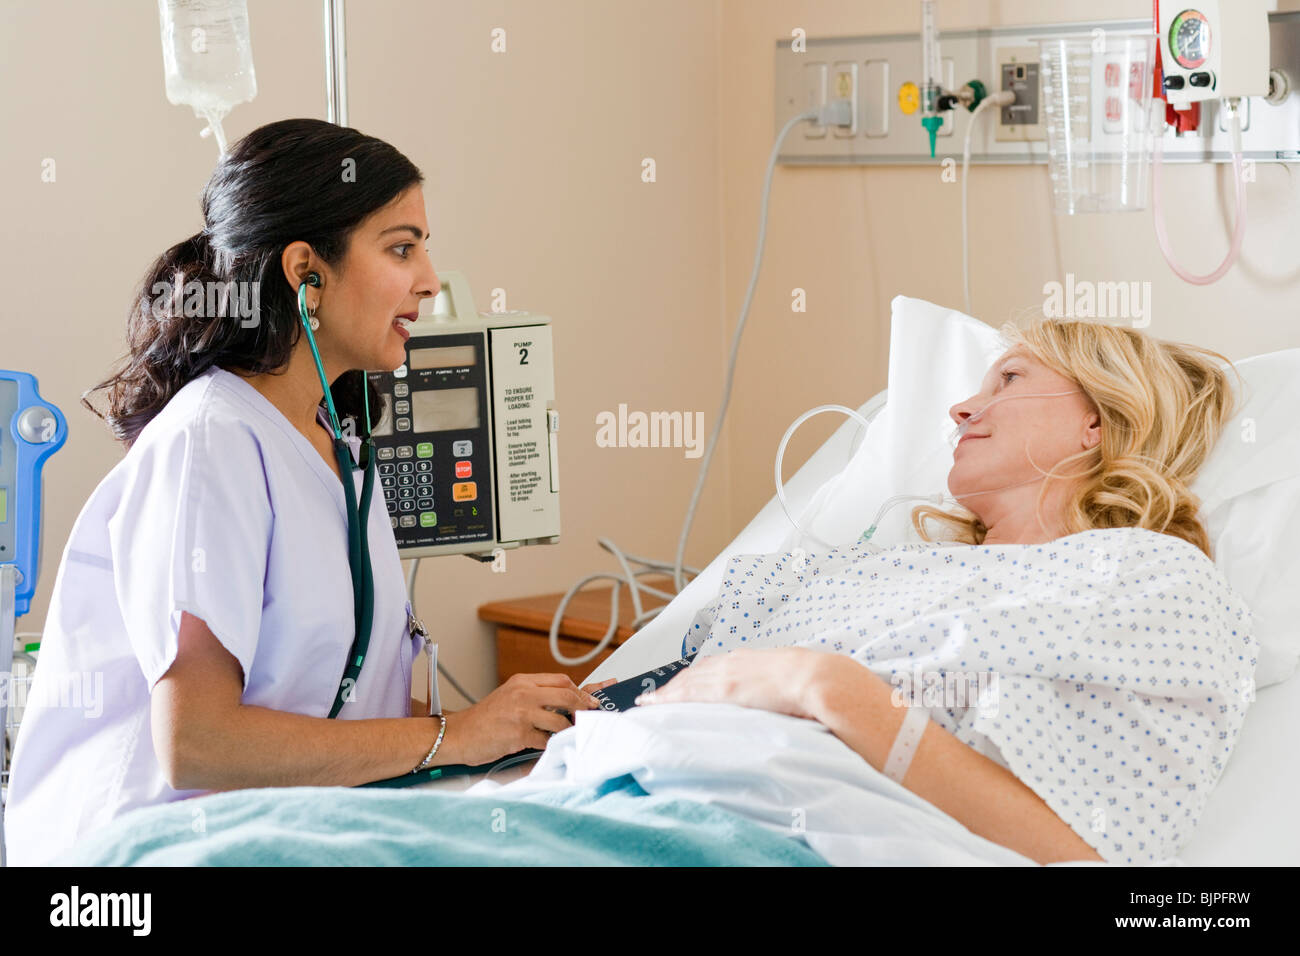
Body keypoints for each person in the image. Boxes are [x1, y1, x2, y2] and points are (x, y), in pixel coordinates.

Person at [5, 118, 610, 866]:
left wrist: (518, 729)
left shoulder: (336, 447)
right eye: (401, 247)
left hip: (288, 829)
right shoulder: (211, 440)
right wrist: (459, 735)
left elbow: (342, 710)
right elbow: (195, 744)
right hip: (148, 850)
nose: (427, 279)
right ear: (306, 273)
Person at [640, 319, 1257, 865]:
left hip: (755, 833)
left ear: (1099, 420)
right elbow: (682, 677)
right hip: (612, 784)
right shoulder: (887, 571)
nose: (961, 409)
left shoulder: (1148, 578)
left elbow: (1093, 853)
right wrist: (569, 710)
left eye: (1009, 380)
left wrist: (824, 687)